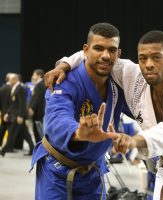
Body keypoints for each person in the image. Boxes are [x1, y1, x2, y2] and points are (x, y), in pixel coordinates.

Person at [47, 30, 163, 200]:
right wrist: (65, 64)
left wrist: (135, 140)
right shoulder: (133, 76)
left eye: (156, 57)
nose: (148, 64)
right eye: (143, 58)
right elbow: (98, 55)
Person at [31, 22, 126, 200]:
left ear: (118, 54)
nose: (105, 55)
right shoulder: (64, 81)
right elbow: (56, 117)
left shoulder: (118, 88)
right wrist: (77, 133)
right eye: (98, 48)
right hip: (56, 172)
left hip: (93, 173)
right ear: (86, 50)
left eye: (112, 50)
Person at [1, 73, 34, 156]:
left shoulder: (21, 88)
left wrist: (21, 116)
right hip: (15, 115)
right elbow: (13, 104)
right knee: (26, 134)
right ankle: (32, 148)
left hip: (18, 116)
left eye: (10, 80)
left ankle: (3, 150)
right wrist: (8, 113)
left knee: (12, 133)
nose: (9, 81)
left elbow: (22, 104)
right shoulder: (15, 88)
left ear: (15, 79)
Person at [28, 69, 47, 143]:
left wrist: (32, 109)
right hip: (40, 112)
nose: (32, 76)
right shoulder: (41, 84)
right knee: (39, 132)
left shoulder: (39, 85)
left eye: (34, 74)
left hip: (38, 112)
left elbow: (37, 99)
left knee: (38, 132)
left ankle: (40, 149)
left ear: (39, 75)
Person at [0, 73, 12, 147]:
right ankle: (9, 147)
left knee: (3, 128)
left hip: (3, 111)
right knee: (11, 130)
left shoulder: (2, 88)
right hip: (11, 112)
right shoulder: (11, 88)